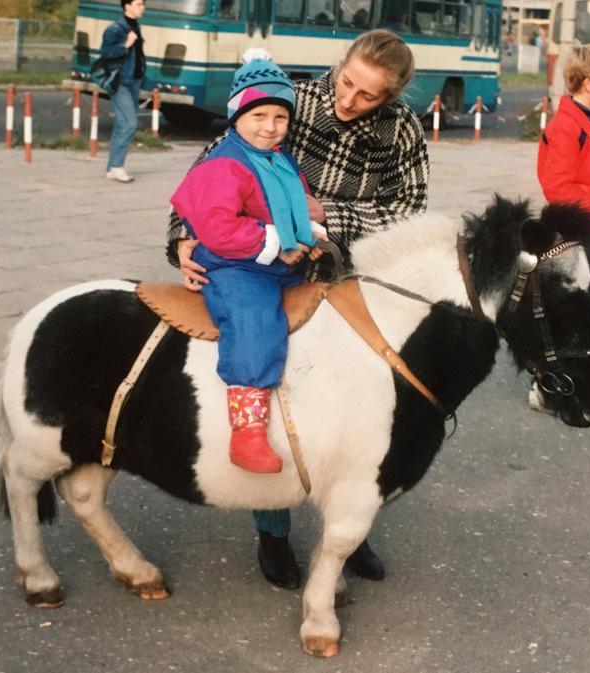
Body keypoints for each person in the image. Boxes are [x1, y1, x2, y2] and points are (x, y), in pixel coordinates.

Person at [167, 30, 429, 589]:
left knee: (362, 405)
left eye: (368, 96)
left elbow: (407, 209)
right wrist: (183, 239)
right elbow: (212, 168)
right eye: (346, 81)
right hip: (266, 270)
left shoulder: (403, 129)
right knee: (281, 387)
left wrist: (320, 214)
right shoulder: (293, 99)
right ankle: (272, 527)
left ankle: (349, 525)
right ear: (339, 66)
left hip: (347, 270)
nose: (349, 99)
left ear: (392, 98)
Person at [169, 57, 327, 473]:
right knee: (253, 318)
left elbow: (291, 203)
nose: (270, 126)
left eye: (280, 116)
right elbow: (218, 228)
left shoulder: (278, 157)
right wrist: (276, 242)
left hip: (274, 261)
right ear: (237, 115)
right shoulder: (225, 163)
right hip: (232, 265)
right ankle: (248, 430)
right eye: (258, 115)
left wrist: (308, 234)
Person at [532, 45, 590, 414]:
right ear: (586, 82)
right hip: (578, 227)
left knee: (576, 307)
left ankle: (565, 381)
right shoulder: (568, 125)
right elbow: (557, 187)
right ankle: (547, 387)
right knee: (567, 308)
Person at [101, 0, 146, 183]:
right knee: (129, 123)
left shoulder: (135, 25)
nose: (142, 7)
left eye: (143, 4)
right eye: (139, 3)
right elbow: (106, 53)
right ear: (127, 6)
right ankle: (117, 166)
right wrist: (125, 45)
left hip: (133, 81)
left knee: (122, 123)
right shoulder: (116, 28)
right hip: (120, 82)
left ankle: (112, 168)